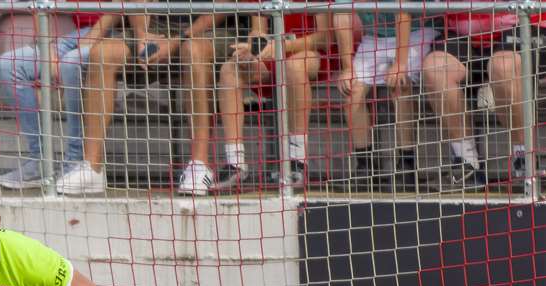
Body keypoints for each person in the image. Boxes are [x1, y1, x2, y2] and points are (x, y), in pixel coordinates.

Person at [58, 10, 232, 196]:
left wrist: (177, 40)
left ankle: (200, 165)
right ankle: (92, 168)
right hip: (158, 26)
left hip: (210, 28)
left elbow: (221, 7)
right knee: (103, 53)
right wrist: (142, 34)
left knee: (193, 50)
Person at [210, 8, 354, 192]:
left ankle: (297, 161)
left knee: (293, 67)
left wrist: (281, 47)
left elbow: (324, 39)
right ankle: (235, 164)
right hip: (273, 54)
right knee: (229, 70)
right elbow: (259, 32)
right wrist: (253, 50)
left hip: (310, 54)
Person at [0, 11, 120, 189]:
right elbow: (41, 6)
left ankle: (76, 162)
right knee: (7, 65)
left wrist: (95, 34)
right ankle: (40, 162)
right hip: (75, 34)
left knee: (70, 63)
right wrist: (47, 48)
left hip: (117, 32)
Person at [422, 9, 546, 191]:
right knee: (435, 67)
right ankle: (467, 164)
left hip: (524, 23)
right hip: (465, 33)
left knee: (503, 66)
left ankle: (525, 160)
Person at [331, 8, 438, 193]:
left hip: (416, 31)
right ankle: (365, 167)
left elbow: (403, 12)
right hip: (375, 36)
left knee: (399, 84)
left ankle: (407, 165)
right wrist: (347, 68)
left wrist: (400, 64)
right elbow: (341, 14)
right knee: (352, 90)